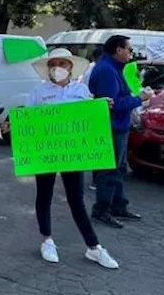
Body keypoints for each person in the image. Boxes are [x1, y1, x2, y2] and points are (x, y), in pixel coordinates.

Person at [14, 48, 119, 268]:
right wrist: (12, 125)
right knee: (44, 195)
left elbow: (90, 119)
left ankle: (94, 247)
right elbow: (27, 121)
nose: (57, 68)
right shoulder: (38, 93)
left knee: (76, 199)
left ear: (70, 66)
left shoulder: (81, 91)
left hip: (73, 155)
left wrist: (102, 107)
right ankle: (47, 240)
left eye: (62, 63)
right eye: (53, 64)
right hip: (46, 155)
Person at [87, 35, 150, 228]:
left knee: (119, 168)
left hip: (118, 126)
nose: (131, 53)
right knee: (109, 170)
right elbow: (112, 105)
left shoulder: (112, 68)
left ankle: (118, 205)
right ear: (118, 50)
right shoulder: (107, 70)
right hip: (112, 127)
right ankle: (102, 210)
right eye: (129, 49)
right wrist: (140, 98)